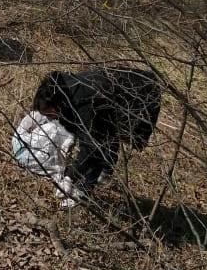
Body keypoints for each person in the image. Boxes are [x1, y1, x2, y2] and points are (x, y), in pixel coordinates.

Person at [33, 65, 161, 206]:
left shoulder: (84, 101)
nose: (50, 118)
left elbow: (92, 145)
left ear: (56, 104)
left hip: (140, 95)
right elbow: (79, 126)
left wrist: (70, 176)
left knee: (103, 138)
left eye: (50, 113)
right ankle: (104, 172)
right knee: (105, 132)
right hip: (117, 94)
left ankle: (84, 191)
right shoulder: (65, 91)